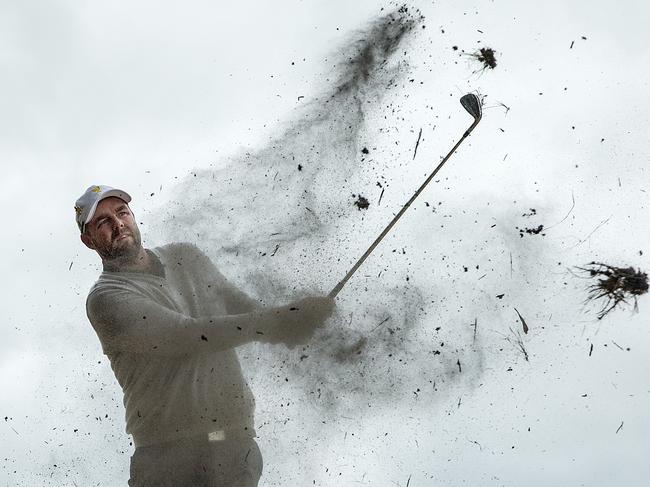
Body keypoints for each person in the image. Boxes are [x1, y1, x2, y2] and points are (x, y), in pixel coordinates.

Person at [75, 185, 334, 487]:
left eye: (122, 213)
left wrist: (294, 325)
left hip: (236, 451)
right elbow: (187, 335)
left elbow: (241, 307)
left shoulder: (185, 256)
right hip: (167, 463)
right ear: (88, 240)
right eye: (103, 222)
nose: (118, 224)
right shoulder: (105, 298)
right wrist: (280, 320)